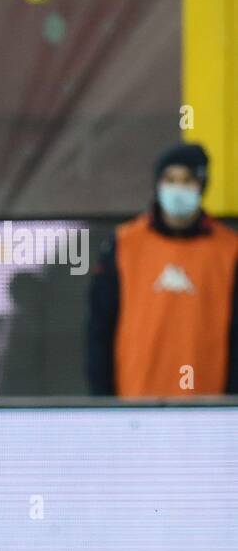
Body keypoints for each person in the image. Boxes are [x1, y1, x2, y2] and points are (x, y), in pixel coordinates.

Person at [87, 142, 238, 398]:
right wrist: (104, 401)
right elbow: (100, 328)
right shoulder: (124, 244)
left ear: (202, 185)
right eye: (170, 179)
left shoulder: (229, 249)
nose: (178, 189)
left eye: (187, 180)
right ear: (158, 183)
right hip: (135, 405)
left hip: (207, 409)